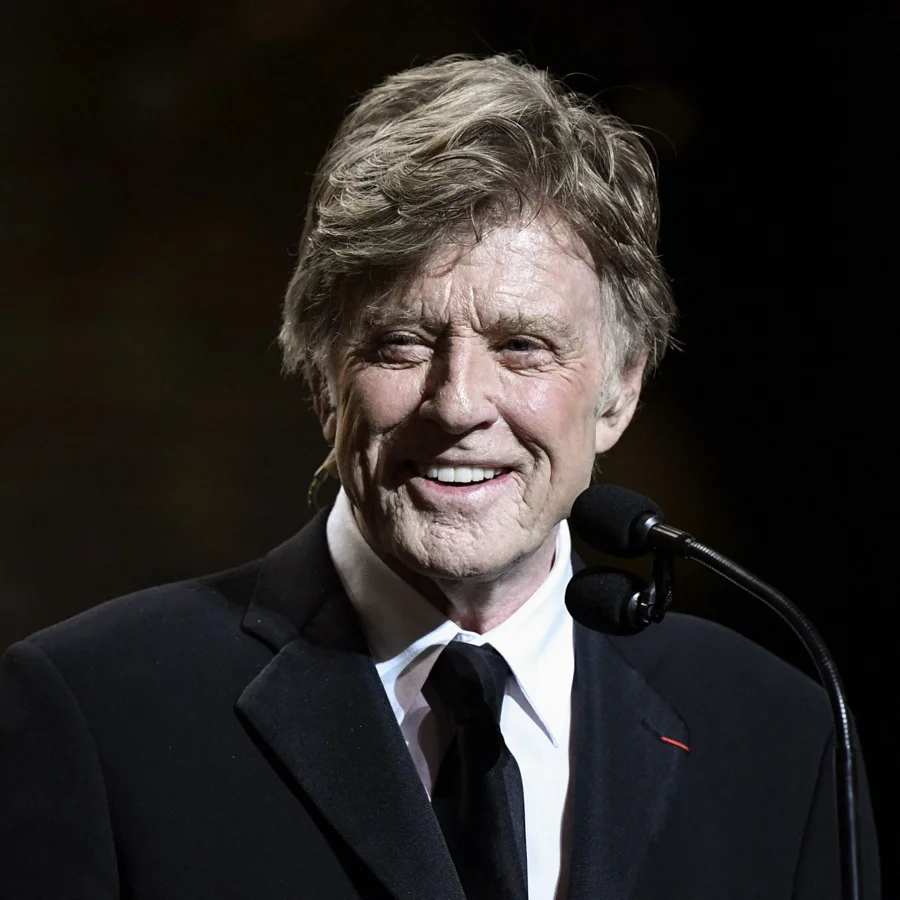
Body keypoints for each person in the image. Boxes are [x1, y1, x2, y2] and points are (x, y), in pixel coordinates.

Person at [0, 54, 880, 900]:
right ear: (323, 382)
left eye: (522, 346)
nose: (458, 404)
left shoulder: (780, 733)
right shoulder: (95, 713)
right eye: (401, 343)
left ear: (619, 392)